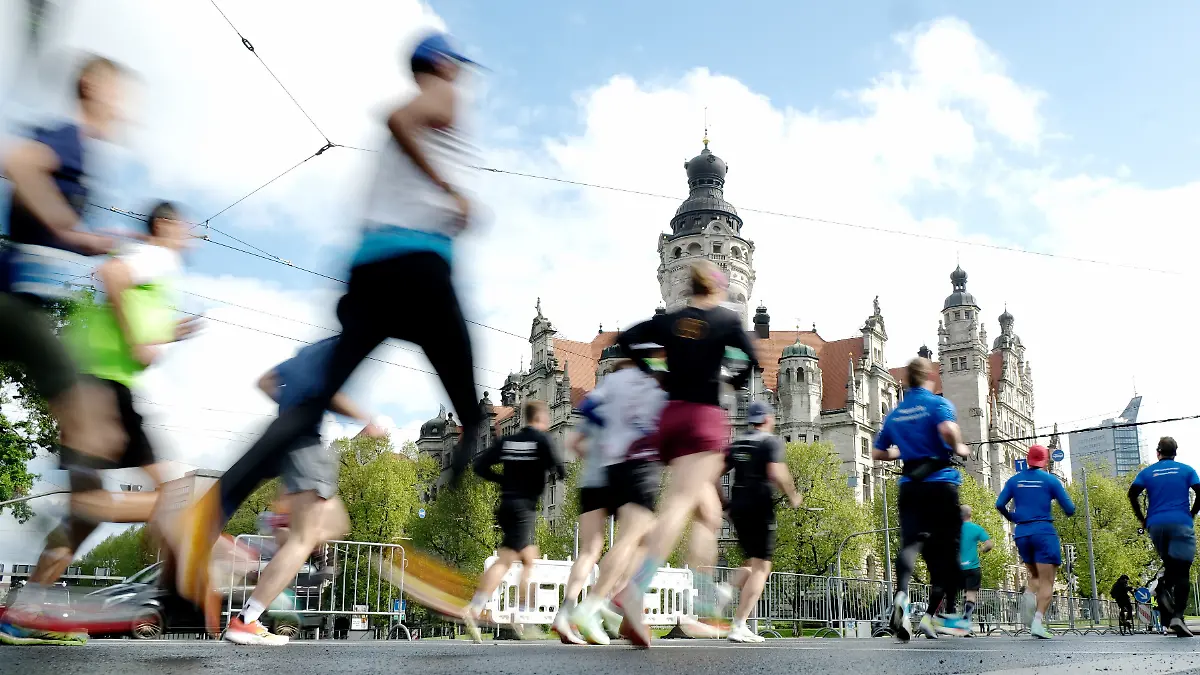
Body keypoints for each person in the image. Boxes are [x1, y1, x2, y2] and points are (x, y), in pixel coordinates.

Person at [167, 32, 485, 613]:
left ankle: (206, 515)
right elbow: (399, 117)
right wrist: (450, 191)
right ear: (442, 66)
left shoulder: (430, 118)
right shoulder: (439, 98)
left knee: (306, 411)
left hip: (369, 271)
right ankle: (443, 556)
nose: (463, 83)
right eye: (459, 71)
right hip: (417, 270)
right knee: (470, 416)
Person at [0, 200, 197, 646]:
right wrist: (139, 340)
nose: (190, 237)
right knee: (173, 495)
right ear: (165, 225)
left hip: (87, 382)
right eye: (186, 227)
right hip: (105, 389)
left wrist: (168, 333)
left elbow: (118, 297)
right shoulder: (156, 255)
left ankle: (21, 615)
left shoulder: (148, 261)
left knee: (81, 520)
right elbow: (112, 279)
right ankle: (179, 590)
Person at [609, 260, 760, 648]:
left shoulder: (672, 321)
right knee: (678, 505)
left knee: (708, 512)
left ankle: (705, 602)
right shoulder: (726, 320)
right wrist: (729, 379)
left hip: (671, 416)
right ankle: (634, 590)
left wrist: (657, 370)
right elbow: (750, 361)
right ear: (717, 287)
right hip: (704, 417)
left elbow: (625, 339)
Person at [223, 336, 387, 645]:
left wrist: (290, 407)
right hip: (306, 444)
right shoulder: (338, 348)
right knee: (304, 537)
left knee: (337, 523)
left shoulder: (306, 353)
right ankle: (247, 619)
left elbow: (264, 382)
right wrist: (367, 420)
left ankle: (282, 557)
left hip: (295, 442)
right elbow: (327, 394)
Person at [552, 358, 667, 645]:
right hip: (619, 474)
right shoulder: (636, 394)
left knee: (589, 551)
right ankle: (606, 600)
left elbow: (573, 444)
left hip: (590, 480)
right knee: (637, 539)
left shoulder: (598, 399)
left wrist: (591, 454)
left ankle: (566, 611)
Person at [872, 357, 971, 641]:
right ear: (929, 376)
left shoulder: (895, 413)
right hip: (941, 483)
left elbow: (879, 453)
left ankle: (901, 595)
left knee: (910, 544)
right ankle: (946, 617)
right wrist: (960, 447)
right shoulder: (938, 404)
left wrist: (902, 451)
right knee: (946, 554)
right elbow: (947, 431)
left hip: (909, 485)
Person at [465, 400, 567, 642]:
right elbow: (561, 469)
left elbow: (479, 466)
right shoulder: (542, 440)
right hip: (524, 507)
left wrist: (503, 480)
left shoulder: (507, 441)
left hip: (507, 504)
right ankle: (476, 609)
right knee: (506, 560)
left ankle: (521, 616)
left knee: (529, 558)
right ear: (542, 419)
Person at [721, 401, 802, 643]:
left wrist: (724, 504)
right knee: (762, 568)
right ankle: (739, 624)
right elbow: (777, 473)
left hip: (738, 507)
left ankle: (726, 588)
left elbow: (715, 474)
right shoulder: (770, 441)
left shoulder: (738, 442)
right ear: (766, 419)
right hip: (759, 506)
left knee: (751, 561)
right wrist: (793, 495)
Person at [995, 444, 1075, 640]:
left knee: (1035, 577)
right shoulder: (1050, 480)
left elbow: (999, 504)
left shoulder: (1014, 481)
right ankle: (1037, 622)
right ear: (1045, 461)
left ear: (1028, 460)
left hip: (1022, 534)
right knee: (1048, 581)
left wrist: (1012, 517)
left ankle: (1029, 596)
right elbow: (1070, 508)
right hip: (1044, 533)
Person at [1129, 436, 1200, 638]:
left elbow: (1132, 494)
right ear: (1175, 453)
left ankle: (1161, 588)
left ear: (1158, 453)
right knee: (1182, 571)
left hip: (1156, 525)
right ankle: (1177, 616)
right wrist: (1193, 512)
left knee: (1170, 564)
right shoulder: (1187, 470)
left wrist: (1142, 519)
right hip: (1180, 523)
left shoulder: (1148, 472)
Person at [950, 505, 993, 631]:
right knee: (970, 596)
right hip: (972, 568)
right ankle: (965, 621)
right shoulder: (976, 528)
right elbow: (989, 544)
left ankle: (950, 618)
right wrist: (983, 550)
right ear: (970, 514)